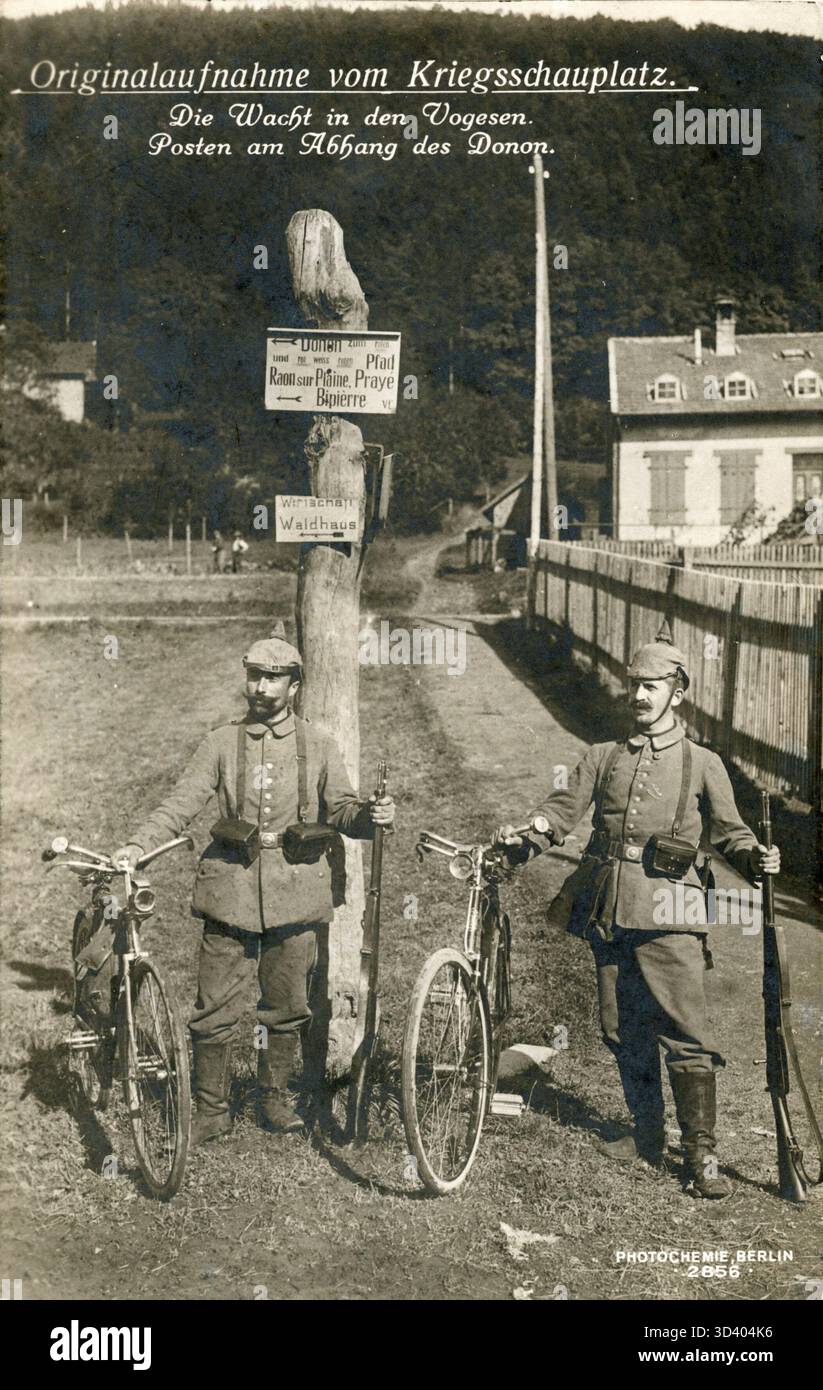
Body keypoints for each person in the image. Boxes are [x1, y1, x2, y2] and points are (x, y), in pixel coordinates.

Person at [497, 622, 780, 1199]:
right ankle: (648, 1134)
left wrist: (757, 859)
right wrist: (524, 841)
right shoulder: (603, 757)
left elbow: (731, 834)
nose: (640, 696)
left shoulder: (703, 763)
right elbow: (559, 813)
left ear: (679, 692)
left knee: (683, 1031)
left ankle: (702, 1156)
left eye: (652, 686)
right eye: (635, 685)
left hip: (672, 911)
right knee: (621, 1027)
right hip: (609, 908)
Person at [113, 637, 395, 1146]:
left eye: (273, 679)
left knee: (285, 1006)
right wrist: (138, 845)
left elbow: (344, 811)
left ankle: (273, 1098)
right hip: (230, 893)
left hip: (296, 893)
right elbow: (180, 804)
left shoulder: (320, 744)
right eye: (254, 677)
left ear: (294, 685)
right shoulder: (221, 742)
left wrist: (371, 819)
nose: (261, 688)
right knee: (214, 1008)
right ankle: (212, 1109)